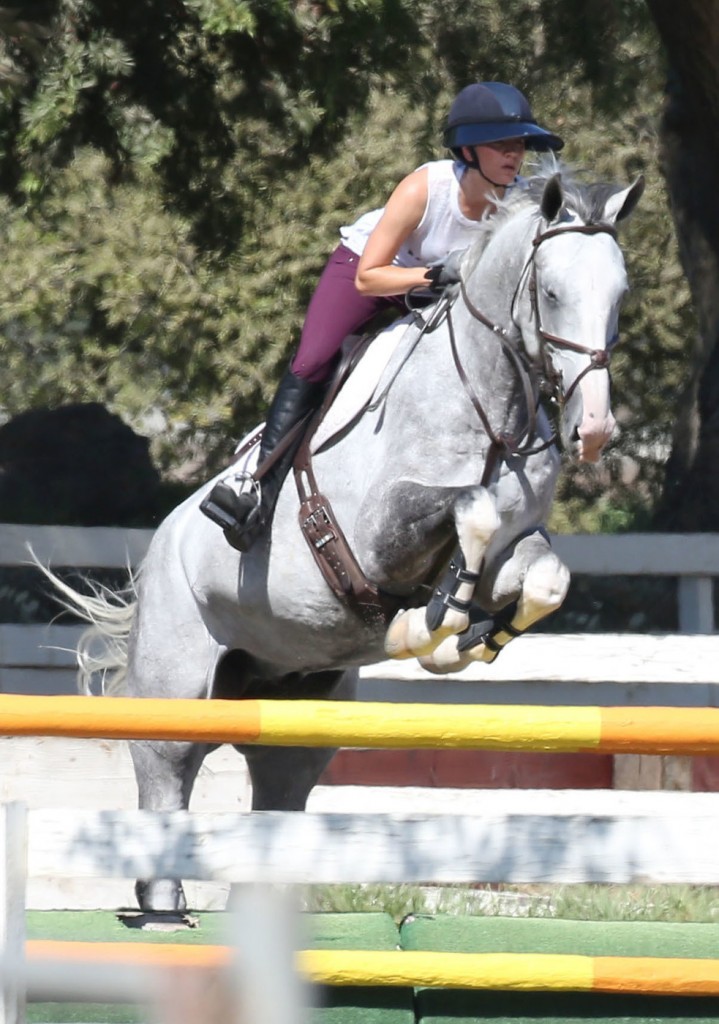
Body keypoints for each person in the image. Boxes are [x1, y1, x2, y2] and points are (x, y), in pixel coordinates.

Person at [201, 81, 563, 552]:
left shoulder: (521, 203)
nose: (514, 155)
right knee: (314, 361)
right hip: (368, 273)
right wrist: (434, 274)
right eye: (501, 145)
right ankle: (257, 484)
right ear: (468, 150)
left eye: (519, 145)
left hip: (438, 290)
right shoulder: (424, 188)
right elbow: (370, 277)